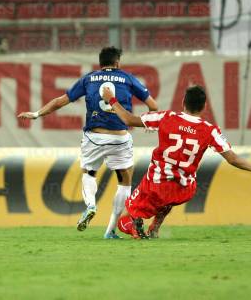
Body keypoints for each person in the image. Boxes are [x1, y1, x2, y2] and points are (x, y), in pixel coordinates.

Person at [101, 85, 251, 239]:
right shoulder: (210, 130)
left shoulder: (166, 117)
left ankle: (136, 231)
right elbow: (232, 158)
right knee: (169, 197)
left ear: (183, 101)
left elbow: (128, 119)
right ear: (204, 106)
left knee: (124, 221)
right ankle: (154, 228)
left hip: (155, 185)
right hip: (184, 188)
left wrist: (111, 99)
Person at [18, 46, 158, 239]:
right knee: (124, 182)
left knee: (89, 173)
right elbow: (153, 105)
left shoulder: (89, 78)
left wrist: (36, 114)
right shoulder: (128, 78)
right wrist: (149, 120)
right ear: (118, 62)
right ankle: (110, 232)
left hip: (95, 136)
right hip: (120, 138)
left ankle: (91, 205)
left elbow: (61, 101)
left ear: (100, 63)